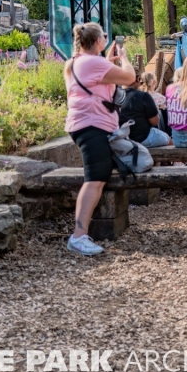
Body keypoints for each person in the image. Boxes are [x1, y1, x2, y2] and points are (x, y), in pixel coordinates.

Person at [63, 23, 137, 256]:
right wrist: (124, 58)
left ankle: (80, 234)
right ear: (98, 41)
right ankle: (78, 236)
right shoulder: (95, 63)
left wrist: (108, 63)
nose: (106, 38)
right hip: (91, 126)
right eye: (104, 36)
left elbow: (92, 85)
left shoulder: (74, 62)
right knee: (94, 179)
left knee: (99, 175)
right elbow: (130, 78)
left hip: (83, 125)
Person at [118, 77, 171, 149]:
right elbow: (155, 122)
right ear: (137, 79)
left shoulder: (114, 97)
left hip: (121, 139)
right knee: (169, 140)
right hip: (143, 138)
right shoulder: (143, 96)